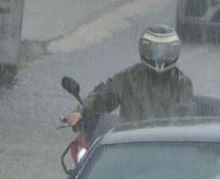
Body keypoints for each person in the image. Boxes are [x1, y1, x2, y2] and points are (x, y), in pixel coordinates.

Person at [63, 25, 195, 129]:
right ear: (144, 49)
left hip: (166, 147)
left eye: (165, 52)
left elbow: (185, 120)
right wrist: (81, 112)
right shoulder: (129, 77)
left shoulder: (182, 83)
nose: (159, 58)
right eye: (154, 51)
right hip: (129, 143)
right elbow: (104, 95)